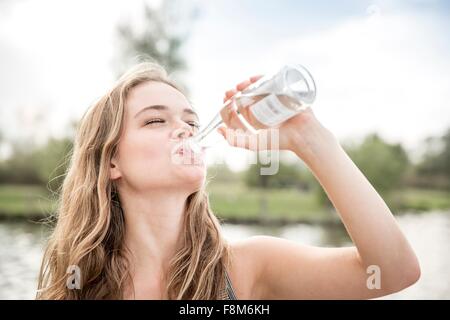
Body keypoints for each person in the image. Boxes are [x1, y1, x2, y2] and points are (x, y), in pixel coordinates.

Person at [36, 61, 420, 300]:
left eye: (190, 121)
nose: (184, 131)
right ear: (111, 162)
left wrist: (309, 138)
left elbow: (392, 272)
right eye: (156, 120)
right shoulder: (77, 284)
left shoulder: (246, 270)